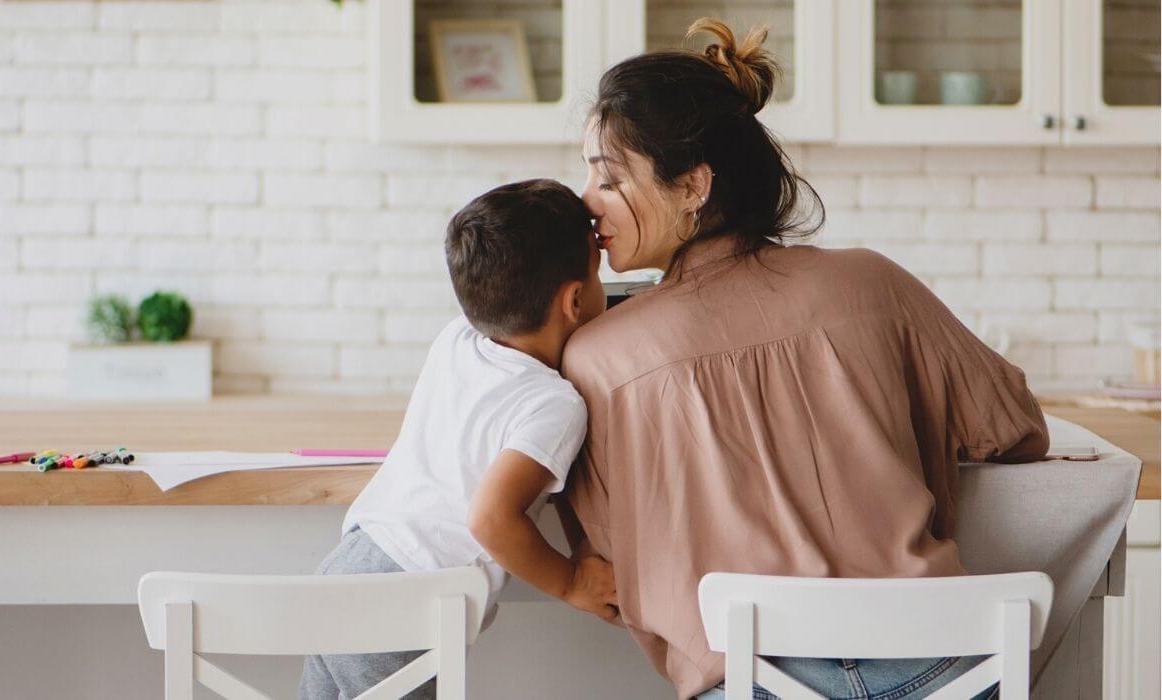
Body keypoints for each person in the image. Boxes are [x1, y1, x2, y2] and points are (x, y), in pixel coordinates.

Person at [559, 18, 1048, 700]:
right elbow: (1015, 424)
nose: (585, 202)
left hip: (755, 680)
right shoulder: (871, 282)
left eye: (608, 179)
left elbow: (614, 568)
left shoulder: (597, 357)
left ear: (694, 185)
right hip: (946, 667)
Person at [300, 179, 617, 700]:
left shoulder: (455, 339)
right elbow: (491, 518)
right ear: (576, 299)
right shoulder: (555, 403)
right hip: (403, 605)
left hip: (346, 567)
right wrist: (572, 583)